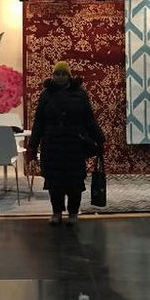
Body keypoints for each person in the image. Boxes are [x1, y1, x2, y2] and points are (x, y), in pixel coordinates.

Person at [26, 61, 104, 226]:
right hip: (52, 145)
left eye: (63, 74)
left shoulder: (80, 94)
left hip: (74, 145)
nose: (60, 77)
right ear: (53, 76)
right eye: (57, 74)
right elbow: (39, 122)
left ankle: (73, 213)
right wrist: (33, 144)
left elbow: (89, 119)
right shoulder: (46, 95)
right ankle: (57, 212)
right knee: (54, 182)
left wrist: (99, 138)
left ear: (69, 76)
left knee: (74, 181)